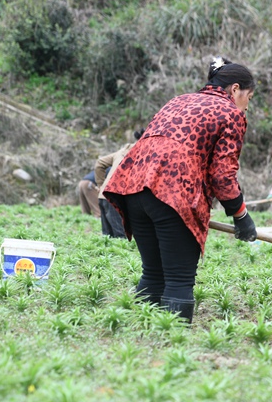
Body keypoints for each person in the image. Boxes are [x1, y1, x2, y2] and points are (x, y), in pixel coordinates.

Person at [104, 57, 257, 322]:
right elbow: (222, 174)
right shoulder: (230, 112)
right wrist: (241, 215)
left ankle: (136, 336)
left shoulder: (178, 100)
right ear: (235, 89)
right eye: (249, 97)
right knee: (178, 279)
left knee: (153, 273)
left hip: (133, 185)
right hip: (173, 192)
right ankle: (172, 347)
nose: (248, 104)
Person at [94, 129, 144, 238]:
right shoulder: (141, 153)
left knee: (107, 236)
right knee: (120, 237)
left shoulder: (122, 151)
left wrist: (101, 185)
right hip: (115, 196)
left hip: (103, 195)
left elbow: (99, 163)